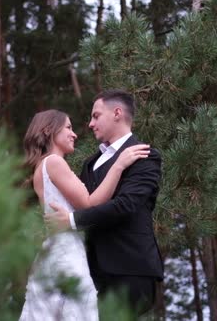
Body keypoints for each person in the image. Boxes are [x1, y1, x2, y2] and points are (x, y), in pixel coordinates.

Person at [19, 109, 150, 321]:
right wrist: (118, 165)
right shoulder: (54, 162)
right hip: (67, 252)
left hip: (56, 250)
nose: (75, 134)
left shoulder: (42, 166)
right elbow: (89, 204)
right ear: (48, 130)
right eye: (68, 127)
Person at [47, 89, 164, 316]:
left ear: (117, 113)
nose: (90, 124)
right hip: (91, 272)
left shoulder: (145, 155)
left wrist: (71, 221)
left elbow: (125, 205)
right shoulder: (91, 163)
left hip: (129, 269)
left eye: (96, 116)